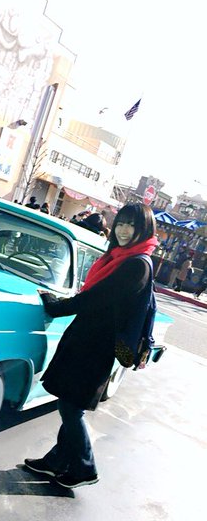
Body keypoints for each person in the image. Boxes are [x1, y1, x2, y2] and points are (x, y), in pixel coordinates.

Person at [24, 203, 158, 488]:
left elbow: (95, 299)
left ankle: (85, 468)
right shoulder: (120, 257)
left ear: (144, 229)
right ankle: (57, 461)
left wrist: (55, 306)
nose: (124, 230)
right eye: (121, 223)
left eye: (132, 225)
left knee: (71, 407)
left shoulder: (136, 265)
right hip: (88, 340)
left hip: (97, 347)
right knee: (70, 403)